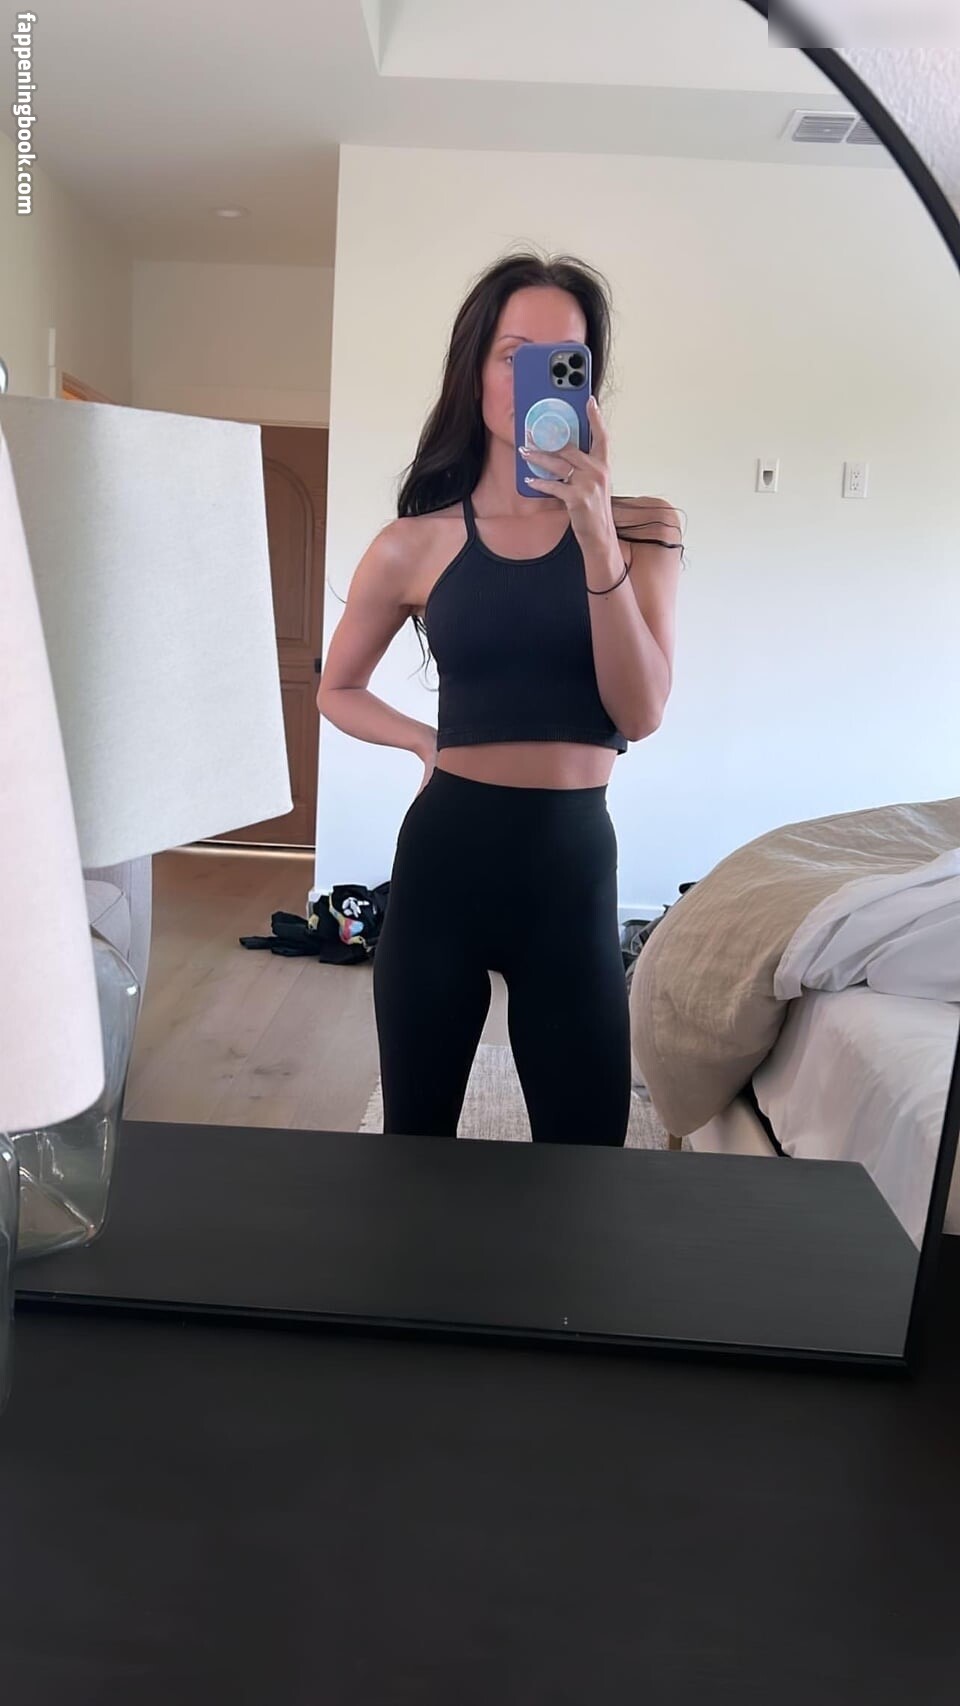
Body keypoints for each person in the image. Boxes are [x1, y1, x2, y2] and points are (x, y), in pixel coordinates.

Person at [318, 251, 684, 1144]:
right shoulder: (413, 543)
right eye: (515, 355)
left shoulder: (642, 528)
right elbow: (337, 689)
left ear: (588, 382)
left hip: (572, 876)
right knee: (416, 1157)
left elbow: (639, 714)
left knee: (585, 1165)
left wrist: (595, 536)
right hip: (444, 864)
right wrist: (422, 742)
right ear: (475, 369)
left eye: (563, 360)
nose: (534, 383)